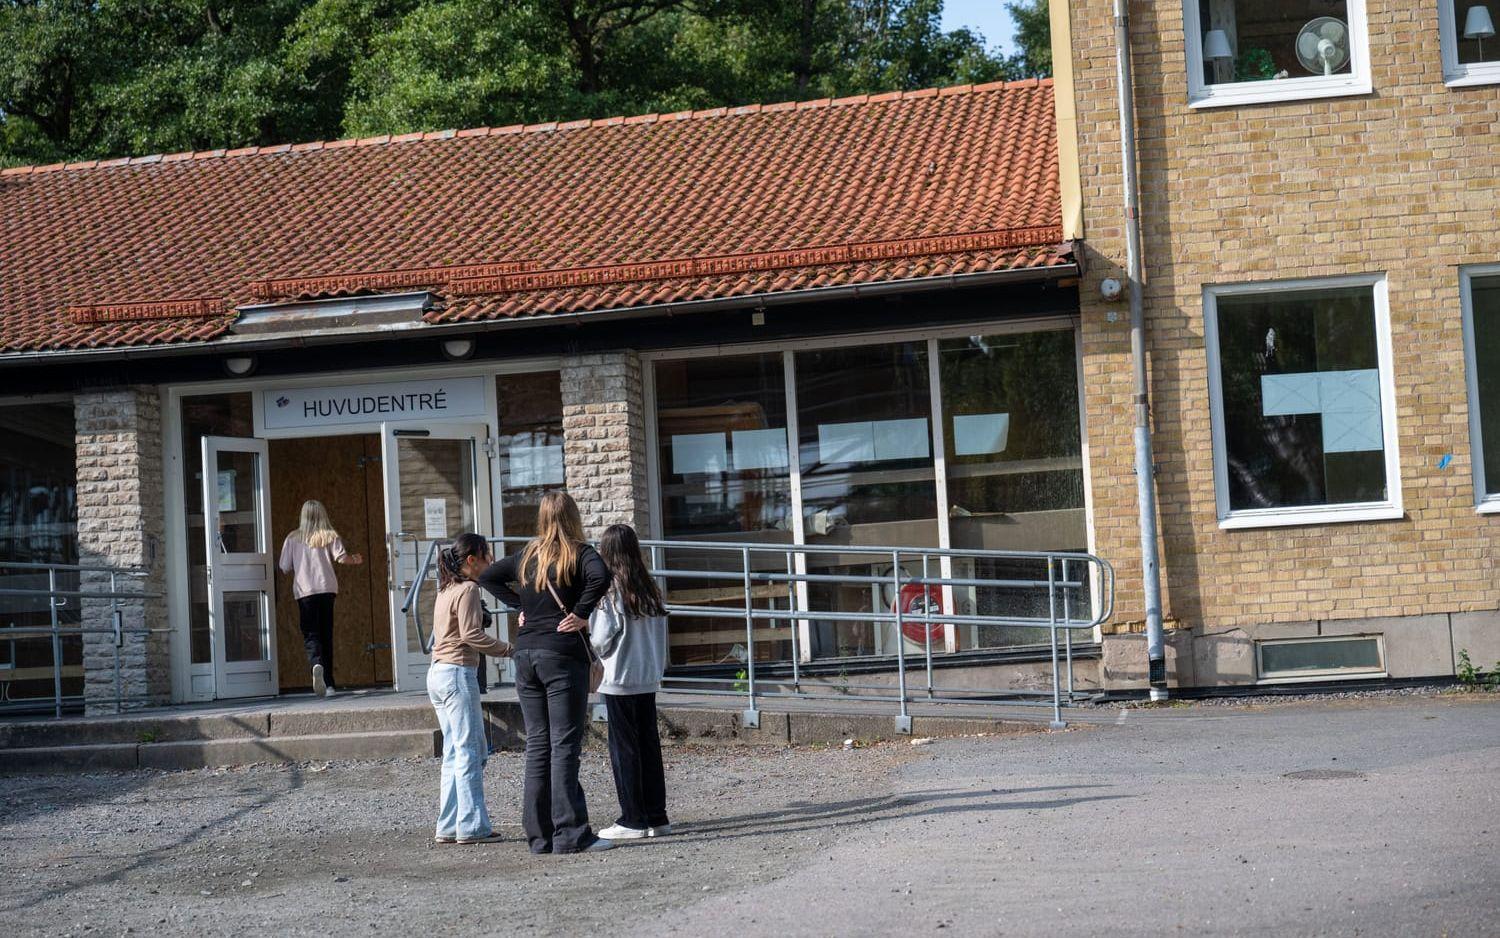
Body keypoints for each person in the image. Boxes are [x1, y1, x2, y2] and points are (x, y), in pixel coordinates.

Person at [478, 492, 613, 854]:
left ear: (541, 517)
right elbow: (603, 576)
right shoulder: (579, 553)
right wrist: (582, 612)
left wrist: (520, 606)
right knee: (565, 744)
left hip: (525, 655)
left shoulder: (527, 556)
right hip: (562, 656)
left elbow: (487, 577)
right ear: (572, 516)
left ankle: (539, 837)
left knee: (538, 744)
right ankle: (571, 834)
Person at [429, 533, 513, 845]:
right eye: (486, 556)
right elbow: (472, 635)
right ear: (471, 560)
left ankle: (449, 824)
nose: (490, 562)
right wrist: (509, 650)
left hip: (439, 673)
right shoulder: (467, 589)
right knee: (471, 751)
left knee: (454, 751)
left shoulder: (446, 588)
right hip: (457, 673)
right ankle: (472, 825)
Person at [590, 524, 672, 840]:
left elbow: (600, 639)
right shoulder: (651, 589)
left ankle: (633, 819)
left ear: (607, 552)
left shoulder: (610, 591)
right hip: (647, 677)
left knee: (623, 748)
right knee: (648, 746)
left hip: (618, 676)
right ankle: (656, 815)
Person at [277, 499, 362, 697]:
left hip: (305, 593)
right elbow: (342, 558)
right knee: (326, 635)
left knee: (311, 634)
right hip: (327, 590)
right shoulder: (329, 535)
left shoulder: (292, 538)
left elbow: (284, 566)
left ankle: (316, 665)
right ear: (323, 515)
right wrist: (356, 559)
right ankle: (330, 685)